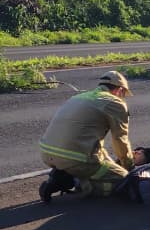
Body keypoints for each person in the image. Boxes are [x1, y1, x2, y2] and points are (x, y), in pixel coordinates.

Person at [38, 70, 142, 203]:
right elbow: (120, 139)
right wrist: (128, 165)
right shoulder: (115, 103)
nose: (123, 97)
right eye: (123, 94)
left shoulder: (79, 97)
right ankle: (77, 183)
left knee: (101, 167)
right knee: (125, 181)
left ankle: (61, 176)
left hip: (47, 154)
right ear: (120, 89)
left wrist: (111, 163)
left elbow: (96, 146)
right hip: (76, 159)